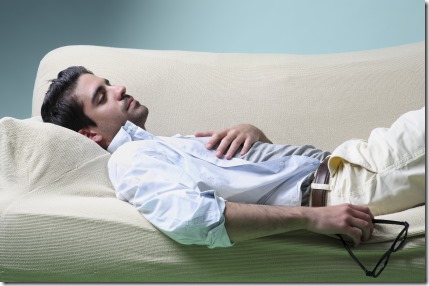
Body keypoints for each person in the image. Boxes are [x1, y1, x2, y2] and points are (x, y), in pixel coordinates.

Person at [41, 66, 425, 249]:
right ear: (90, 134)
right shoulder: (129, 161)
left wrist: (257, 138)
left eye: (107, 82)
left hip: (346, 166)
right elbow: (194, 219)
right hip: (351, 180)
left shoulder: (163, 145)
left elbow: (266, 185)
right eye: (102, 96)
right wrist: (314, 217)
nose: (119, 86)